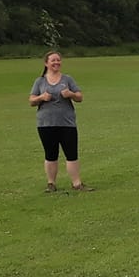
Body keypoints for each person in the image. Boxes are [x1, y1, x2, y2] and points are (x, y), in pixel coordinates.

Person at [28, 50, 90, 192]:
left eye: (58, 60)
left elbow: (80, 97)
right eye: (53, 60)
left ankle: (77, 184)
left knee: (71, 154)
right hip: (46, 124)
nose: (56, 62)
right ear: (46, 63)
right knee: (51, 154)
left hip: (66, 123)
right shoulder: (40, 81)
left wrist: (71, 94)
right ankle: (51, 184)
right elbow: (31, 101)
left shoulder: (67, 79)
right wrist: (41, 98)